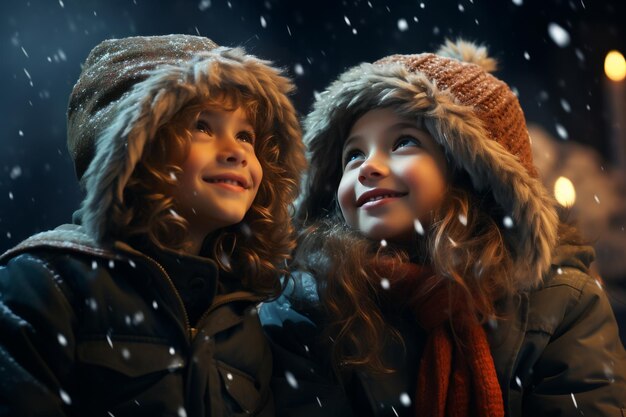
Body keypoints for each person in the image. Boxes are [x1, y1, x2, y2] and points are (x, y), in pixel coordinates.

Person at [260, 39, 626, 417]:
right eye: (353, 154)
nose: (367, 167)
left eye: (403, 142)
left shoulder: (559, 300)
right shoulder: (312, 307)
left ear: (468, 169)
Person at [0, 34, 305, 416]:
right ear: (134, 149)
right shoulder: (47, 281)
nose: (238, 151)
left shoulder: (243, 320)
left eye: (246, 135)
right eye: (203, 127)